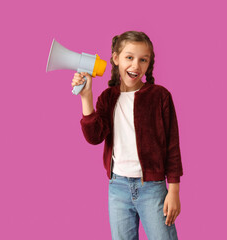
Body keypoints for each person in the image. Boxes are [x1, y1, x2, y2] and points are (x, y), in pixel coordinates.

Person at [72, 31, 183, 240]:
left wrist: (174, 190)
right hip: (118, 188)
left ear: (149, 64)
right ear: (116, 58)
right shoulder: (107, 98)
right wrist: (86, 97)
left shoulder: (160, 96)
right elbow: (94, 136)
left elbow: (172, 145)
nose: (135, 66)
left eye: (143, 60)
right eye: (129, 57)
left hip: (152, 188)